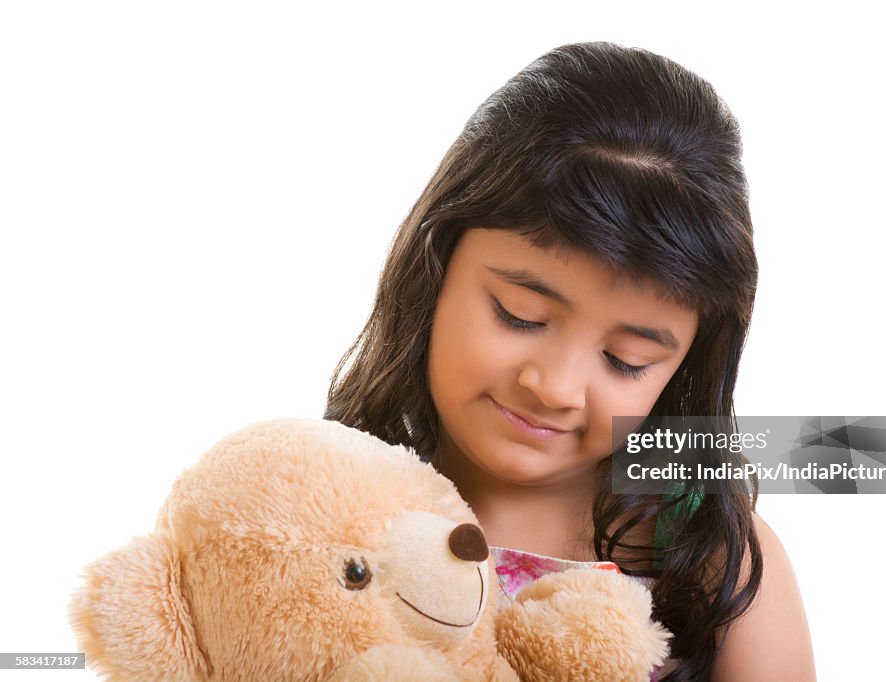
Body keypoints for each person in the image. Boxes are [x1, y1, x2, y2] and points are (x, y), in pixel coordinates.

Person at [325, 41, 814, 681]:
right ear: (437, 265)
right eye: (519, 315)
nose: (555, 387)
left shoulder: (716, 567)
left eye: (625, 359)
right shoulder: (322, 509)